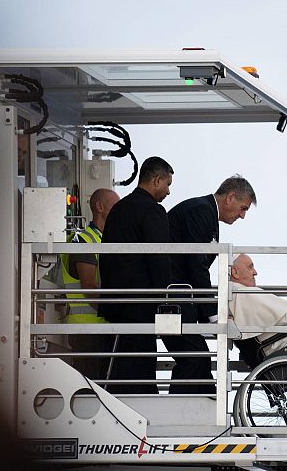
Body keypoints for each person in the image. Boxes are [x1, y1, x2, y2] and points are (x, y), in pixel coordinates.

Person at [162, 175, 257, 393]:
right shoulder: (202, 211)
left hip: (179, 298)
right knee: (195, 359)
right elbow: (197, 265)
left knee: (197, 359)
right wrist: (213, 313)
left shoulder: (206, 212)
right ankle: (183, 413)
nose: (242, 216)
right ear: (230, 197)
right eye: (243, 209)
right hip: (172, 299)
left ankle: (200, 411)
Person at [98, 157, 174, 394]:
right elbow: (159, 258)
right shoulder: (152, 210)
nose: (168, 192)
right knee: (141, 365)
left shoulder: (119, 209)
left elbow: (106, 254)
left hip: (115, 301)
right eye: (167, 184)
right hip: (140, 302)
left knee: (121, 364)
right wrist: (167, 298)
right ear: (157, 180)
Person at [60, 188, 119, 379]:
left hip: (102, 328)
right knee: (91, 388)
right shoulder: (83, 240)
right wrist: (117, 315)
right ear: (99, 206)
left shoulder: (104, 241)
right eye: (115, 206)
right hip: (86, 332)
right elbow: (89, 288)